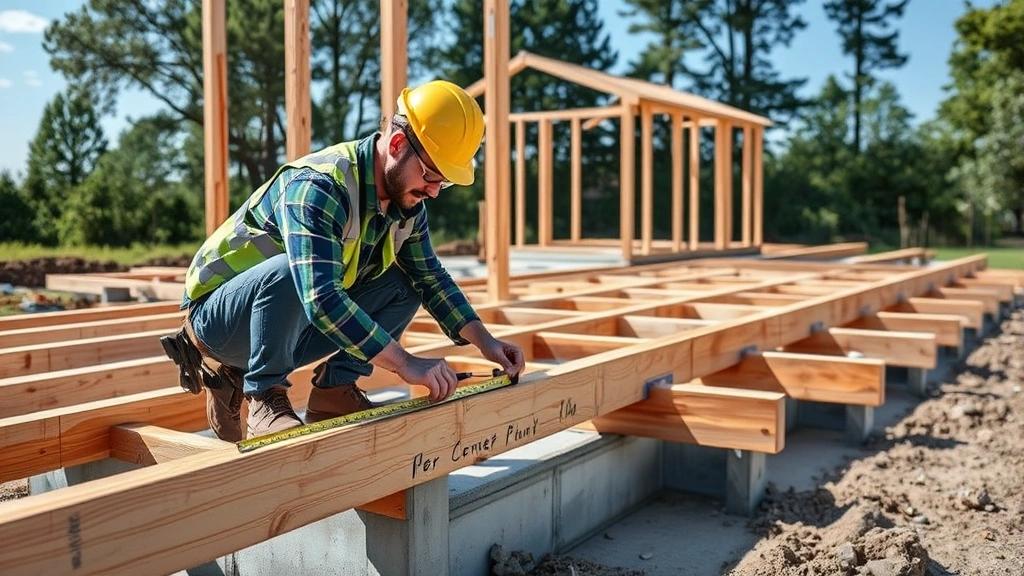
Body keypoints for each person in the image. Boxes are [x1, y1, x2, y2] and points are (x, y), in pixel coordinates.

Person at [161, 79, 525, 442]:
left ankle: (334, 390)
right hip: (220, 323)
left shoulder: (406, 204)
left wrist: (486, 342)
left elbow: (431, 278)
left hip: (288, 322)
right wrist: (405, 363)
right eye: (431, 175)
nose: (433, 190)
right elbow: (321, 298)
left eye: (442, 183)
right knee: (294, 269)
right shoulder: (319, 187)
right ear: (397, 144)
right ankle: (263, 394)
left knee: (408, 283)